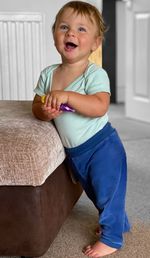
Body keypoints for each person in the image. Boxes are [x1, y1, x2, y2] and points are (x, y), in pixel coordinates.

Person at [32, 1, 130, 257]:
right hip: (76, 153)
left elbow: (99, 106)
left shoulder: (93, 74)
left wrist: (68, 97)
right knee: (97, 192)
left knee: (108, 190)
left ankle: (112, 238)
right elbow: (36, 106)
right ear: (54, 35)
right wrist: (45, 111)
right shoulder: (48, 75)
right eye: (64, 27)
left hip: (102, 146)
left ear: (95, 43)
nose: (71, 33)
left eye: (81, 29)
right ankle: (120, 221)